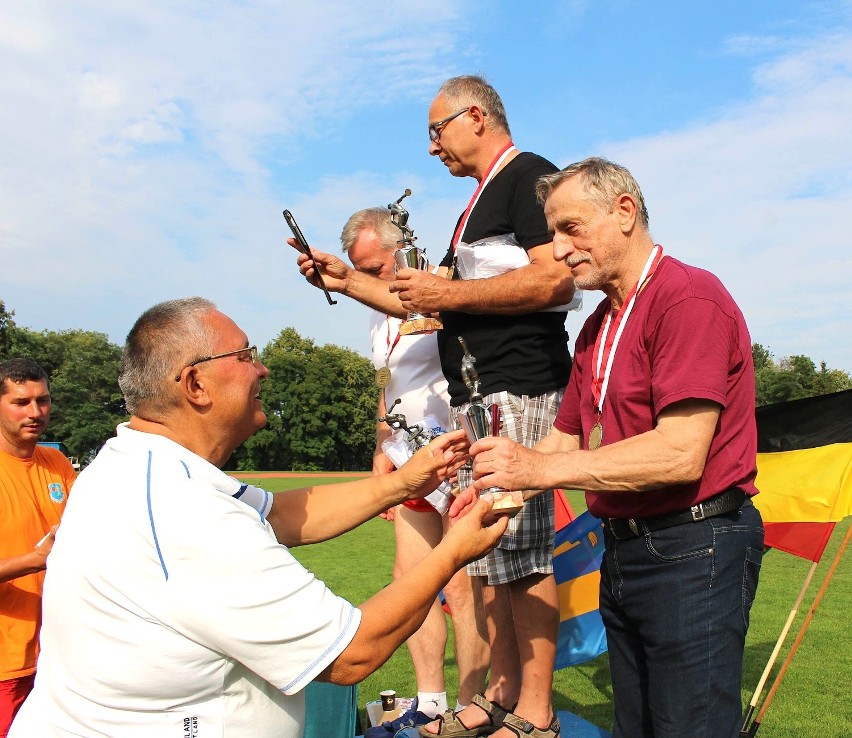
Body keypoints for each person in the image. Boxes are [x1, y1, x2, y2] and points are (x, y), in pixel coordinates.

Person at [9, 297, 509, 738]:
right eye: (246, 356)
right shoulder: (186, 513)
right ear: (196, 384)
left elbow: (284, 515)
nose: (262, 370)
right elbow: (353, 652)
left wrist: (403, 481)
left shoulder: (136, 464)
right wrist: (453, 553)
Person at [293, 75, 573, 738]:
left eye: (435, 129)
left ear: (475, 116)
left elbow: (556, 277)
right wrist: (347, 279)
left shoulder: (530, 177)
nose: (430, 147)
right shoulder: (476, 203)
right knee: (491, 556)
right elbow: (423, 305)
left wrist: (451, 296)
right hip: (479, 398)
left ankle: (534, 713)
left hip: (520, 386)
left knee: (524, 553)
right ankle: (500, 697)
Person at [463, 157, 764, 738]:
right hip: (625, 548)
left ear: (624, 212)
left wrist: (539, 467)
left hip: (695, 541)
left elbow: (681, 454)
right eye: (550, 232)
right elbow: (563, 435)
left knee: (688, 726)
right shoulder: (600, 322)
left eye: (570, 228)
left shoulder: (688, 298)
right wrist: (490, 487)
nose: (556, 248)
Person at [340, 208, 489, 736]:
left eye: (375, 268)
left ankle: (473, 706)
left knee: (467, 585)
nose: (368, 280)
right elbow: (392, 380)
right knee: (413, 582)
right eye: (359, 269)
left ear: (401, 249)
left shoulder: (443, 287)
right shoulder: (379, 312)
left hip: (457, 449)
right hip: (410, 459)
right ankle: (430, 701)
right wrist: (383, 441)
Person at [0, 359, 74, 738]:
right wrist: (33, 561)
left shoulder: (57, 463)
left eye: (42, 401)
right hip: (6, 662)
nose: (35, 412)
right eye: (21, 402)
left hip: (58, 654)